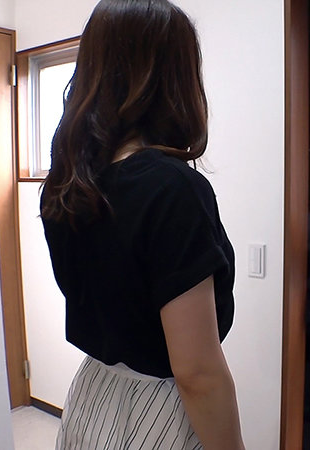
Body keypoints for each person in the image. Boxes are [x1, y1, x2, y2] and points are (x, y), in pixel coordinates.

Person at [40, 1, 245, 449]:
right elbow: (197, 372)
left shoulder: (67, 182)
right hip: (160, 411)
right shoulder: (172, 188)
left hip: (90, 396)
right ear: (173, 78)